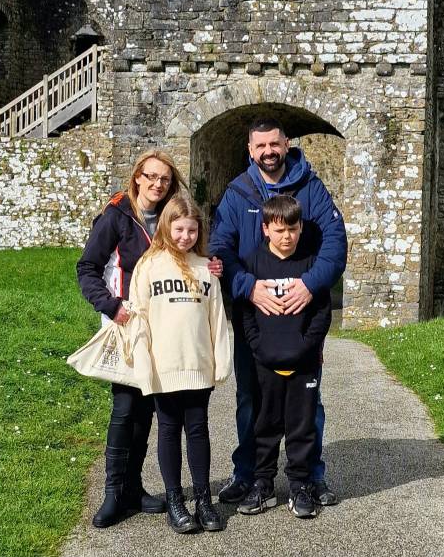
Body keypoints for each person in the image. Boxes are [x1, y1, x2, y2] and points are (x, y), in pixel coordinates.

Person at [76, 151, 223, 529]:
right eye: (151, 177)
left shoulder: (174, 215)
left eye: (165, 178)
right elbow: (87, 267)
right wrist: (111, 305)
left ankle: (135, 487)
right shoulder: (118, 215)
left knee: (152, 412)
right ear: (138, 177)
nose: (158, 184)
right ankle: (114, 493)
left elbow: (192, 253)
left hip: (169, 332)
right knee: (126, 409)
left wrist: (209, 263)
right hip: (130, 324)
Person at [208, 117, 347, 507]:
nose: (268, 151)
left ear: (286, 144)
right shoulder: (238, 194)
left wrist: (311, 283)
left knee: (308, 404)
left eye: (275, 143)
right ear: (250, 151)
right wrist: (248, 288)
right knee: (251, 399)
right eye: (260, 146)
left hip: (301, 317)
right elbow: (221, 250)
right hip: (256, 318)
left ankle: (310, 477)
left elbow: (335, 242)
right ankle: (250, 475)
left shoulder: (310, 188)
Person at [130, 193, 234, 534]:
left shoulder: (206, 267)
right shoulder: (149, 265)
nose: (184, 236)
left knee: (199, 430)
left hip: (198, 364)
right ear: (166, 227)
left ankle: (204, 499)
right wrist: (144, 366)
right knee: (169, 430)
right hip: (164, 367)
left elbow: (217, 318)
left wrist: (222, 361)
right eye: (178, 229)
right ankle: (176, 501)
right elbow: (139, 319)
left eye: (191, 230)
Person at [238, 194, 332, 518]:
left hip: (304, 364)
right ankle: (262, 484)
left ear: (301, 227)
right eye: (279, 230)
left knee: (302, 428)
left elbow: (322, 312)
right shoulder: (252, 264)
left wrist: (307, 346)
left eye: (292, 228)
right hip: (266, 362)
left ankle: (300, 486)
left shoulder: (311, 264)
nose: (286, 236)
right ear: (265, 229)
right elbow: (245, 314)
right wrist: (258, 348)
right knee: (265, 426)